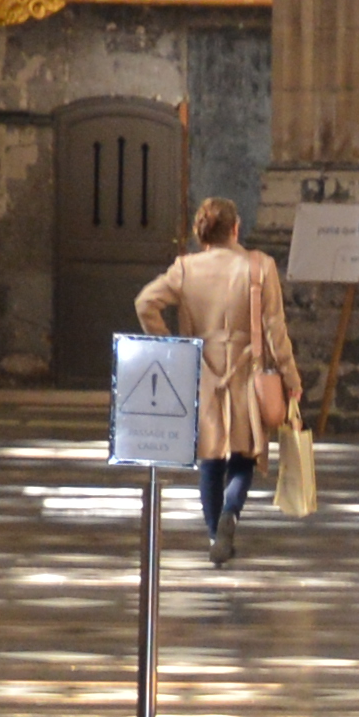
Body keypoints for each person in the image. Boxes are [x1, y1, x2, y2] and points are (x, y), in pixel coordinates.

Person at [136, 196, 297, 561]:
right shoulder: (260, 266)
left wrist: (173, 348)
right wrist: (290, 375)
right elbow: (275, 328)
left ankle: (214, 536)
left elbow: (145, 303)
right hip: (247, 368)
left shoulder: (185, 268)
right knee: (244, 456)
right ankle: (230, 514)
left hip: (203, 368)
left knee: (210, 458)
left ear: (202, 232)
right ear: (236, 228)